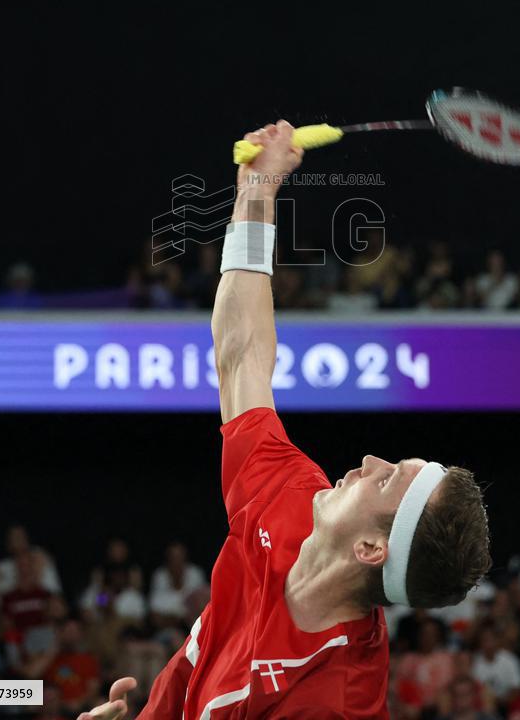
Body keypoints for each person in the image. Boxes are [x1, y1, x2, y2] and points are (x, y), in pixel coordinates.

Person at [80, 120, 491, 719]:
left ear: (373, 548)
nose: (369, 461)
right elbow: (241, 355)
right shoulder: (293, 498)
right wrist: (257, 190)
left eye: (386, 479)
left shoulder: (335, 701)